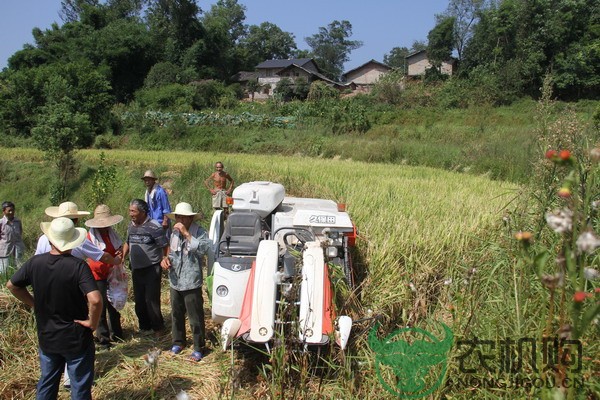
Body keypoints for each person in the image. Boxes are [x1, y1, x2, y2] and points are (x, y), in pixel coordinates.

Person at [6, 217, 102, 400]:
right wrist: (93, 322)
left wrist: (34, 303)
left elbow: (12, 285)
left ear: (50, 239)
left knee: (47, 382)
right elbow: (95, 300)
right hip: (76, 336)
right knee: (80, 386)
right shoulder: (78, 266)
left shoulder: (35, 263)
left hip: (47, 335)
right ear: (73, 242)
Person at [35, 201, 121, 389]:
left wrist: (34, 301)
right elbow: (101, 256)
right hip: (72, 290)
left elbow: (32, 267)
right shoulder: (79, 239)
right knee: (74, 331)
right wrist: (115, 260)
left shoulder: (43, 239)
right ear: (73, 221)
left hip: (47, 293)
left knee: (50, 333)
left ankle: (51, 378)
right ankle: (71, 377)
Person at [160, 202, 212, 362]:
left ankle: (198, 346)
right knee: (176, 313)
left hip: (191, 281)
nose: (180, 220)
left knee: (195, 316)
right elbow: (171, 252)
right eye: (178, 217)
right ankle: (178, 341)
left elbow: (205, 249)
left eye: (184, 217)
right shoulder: (173, 233)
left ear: (190, 218)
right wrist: (165, 260)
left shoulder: (200, 232)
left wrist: (187, 234)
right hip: (176, 279)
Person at [123, 199, 169, 337]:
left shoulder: (154, 227)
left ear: (142, 212)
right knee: (139, 300)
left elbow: (164, 246)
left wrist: (165, 259)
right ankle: (144, 327)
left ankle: (158, 328)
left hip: (151, 268)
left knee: (151, 300)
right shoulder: (131, 226)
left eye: (133, 211)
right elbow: (127, 242)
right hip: (136, 268)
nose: (130, 213)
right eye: (130, 210)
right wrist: (122, 257)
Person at [85, 204, 125, 349]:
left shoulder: (111, 233)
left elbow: (118, 247)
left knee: (114, 302)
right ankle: (103, 338)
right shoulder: (90, 236)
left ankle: (117, 333)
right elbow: (102, 256)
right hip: (97, 274)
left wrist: (120, 253)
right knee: (100, 306)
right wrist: (114, 259)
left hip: (111, 273)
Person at [0, 201, 25, 275]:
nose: (11, 212)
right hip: (5, 252)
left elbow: (20, 233)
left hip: (18, 250)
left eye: (13, 210)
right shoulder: (1, 223)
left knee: (19, 271)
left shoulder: (18, 221)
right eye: (9, 210)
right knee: (5, 273)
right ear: (4, 211)